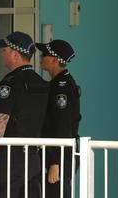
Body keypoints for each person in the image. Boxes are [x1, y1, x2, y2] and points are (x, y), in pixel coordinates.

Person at [0, 31, 50, 198]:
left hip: (10, 158)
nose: (2, 54)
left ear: (14, 54)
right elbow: (25, 108)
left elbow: (0, 123)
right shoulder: (39, 82)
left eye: (4, 50)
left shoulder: (11, 83)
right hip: (33, 158)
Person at [36, 40, 81, 198]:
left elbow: (63, 124)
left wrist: (56, 162)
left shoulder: (63, 86)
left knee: (57, 193)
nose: (41, 58)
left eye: (44, 55)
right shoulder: (56, 83)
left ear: (54, 60)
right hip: (53, 152)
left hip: (59, 154)